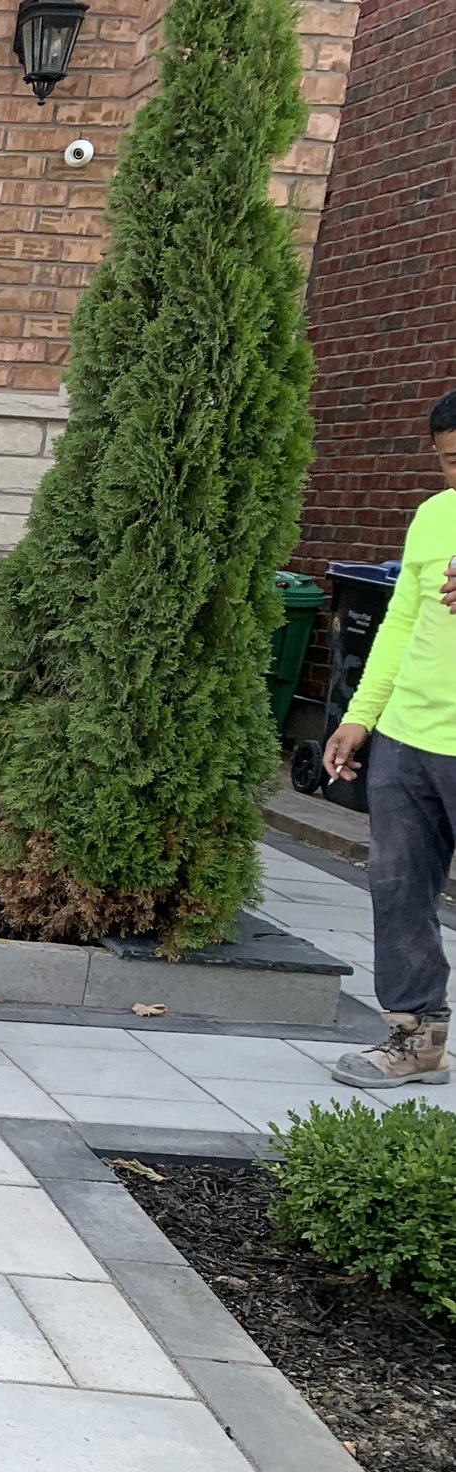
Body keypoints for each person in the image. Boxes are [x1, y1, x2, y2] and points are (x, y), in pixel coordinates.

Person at [323, 387, 456, 1086]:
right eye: (447, 463)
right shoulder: (434, 517)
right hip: (410, 734)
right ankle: (416, 1035)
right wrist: (361, 714)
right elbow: (402, 621)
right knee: (398, 887)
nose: (454, 477)